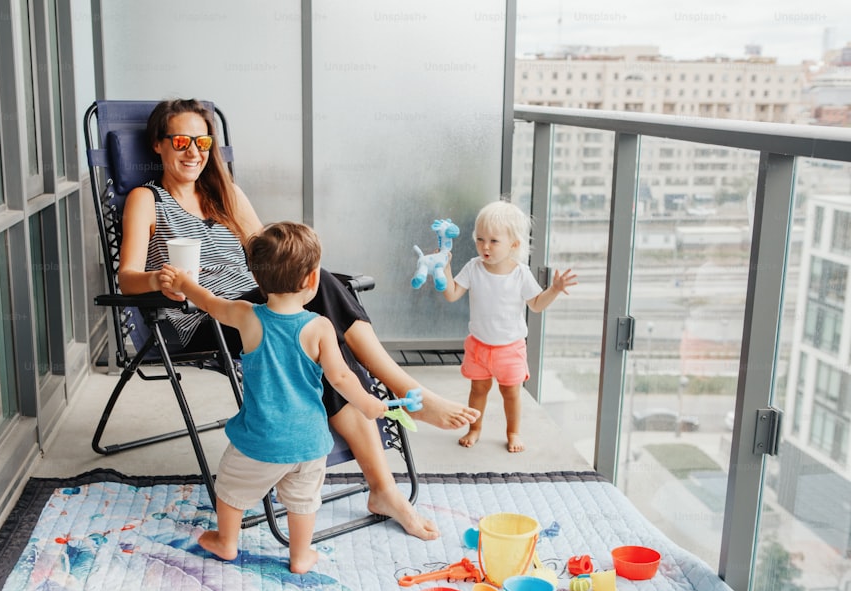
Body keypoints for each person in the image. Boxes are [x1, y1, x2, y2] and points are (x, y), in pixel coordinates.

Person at [118, 98, 479, 541]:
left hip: (263, 306)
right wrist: (160, 280)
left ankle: (385, 485)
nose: (193, 151)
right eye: (180, 140)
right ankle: (404, 409)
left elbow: (268, 257)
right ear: (158, 145)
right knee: (317, 331)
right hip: (207, 318)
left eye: (203, 141)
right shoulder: (146, 199)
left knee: (322, 336)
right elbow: (128, 278)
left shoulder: (225, 195)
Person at [159, 222, 388, 573]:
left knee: (231, 489)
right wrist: (367, 404)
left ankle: (226, 541)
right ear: (313, 280)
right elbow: (341, 376)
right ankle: (300, 556)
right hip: (310, 442)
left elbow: (208, 302)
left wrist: (183, 282)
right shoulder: (320, 327)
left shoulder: (246, 316)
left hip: (260, 440)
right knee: (303, 500)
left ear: (256, 278)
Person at [441, 200, 577, 453]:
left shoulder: (520, 273)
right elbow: (451, 294)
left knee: (511, 393)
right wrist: (445, 269)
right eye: (480, 239)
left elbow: (536, 305)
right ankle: (475, 428)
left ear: (513, 245)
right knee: (478, 389)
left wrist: (555, 290)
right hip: (479, 346)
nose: (485, 246)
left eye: (494, 241)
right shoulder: (474, 267)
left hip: (510, 349)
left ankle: (513, 432)